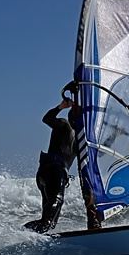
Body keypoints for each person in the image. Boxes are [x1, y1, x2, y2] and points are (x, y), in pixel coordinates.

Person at [24, 98, 76, 233]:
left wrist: (114, 136)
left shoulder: (81, 140)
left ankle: (23, 234)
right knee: (56, 202)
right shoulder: (65, 125)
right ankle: (30, 232)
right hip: (53, 170)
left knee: (50, 223)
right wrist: (61, 107)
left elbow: (97, 153)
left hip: (49, 174)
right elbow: (47, 119)